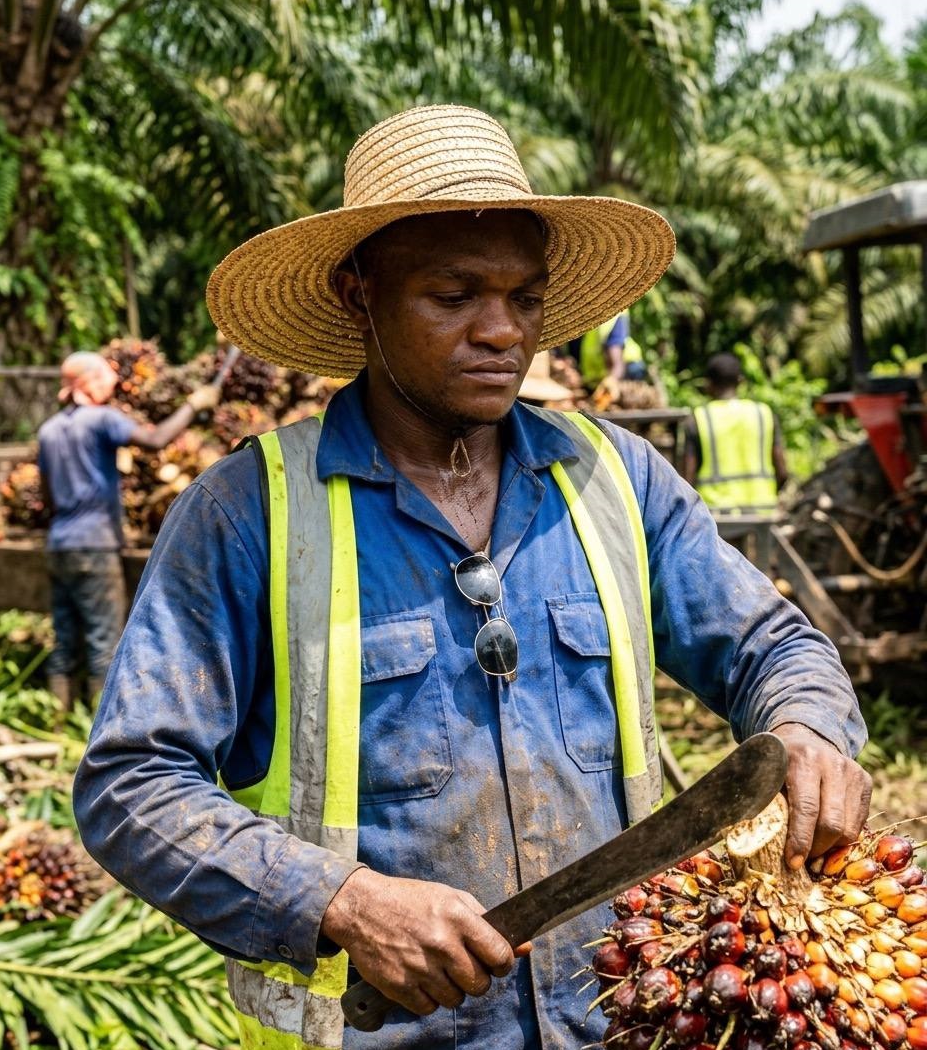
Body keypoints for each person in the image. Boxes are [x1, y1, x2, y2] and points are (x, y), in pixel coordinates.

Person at [74, 106, 870, 1050]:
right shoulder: (247, 515)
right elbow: (131, 782)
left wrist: (809, 729)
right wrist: (342, 898)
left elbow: (768, 644)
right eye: (453, 295)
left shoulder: (612, 479)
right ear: (358, 290)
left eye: (525, 299)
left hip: (623, 1017)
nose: (502, 332)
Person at [37, 351, 219, 711]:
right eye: (107, 379)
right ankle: (97, 737)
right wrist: (193, 405)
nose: (114, 385)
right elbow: (154, 440)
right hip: (94, 546)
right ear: (89, 383)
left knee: (64, 639)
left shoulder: (48, 431)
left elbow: (47, 498)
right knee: (104, 641)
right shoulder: (101, 420)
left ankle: (57, 720)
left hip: (58, 545)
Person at [682, 352, 788, 513]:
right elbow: (782, 471)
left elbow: (687, 479)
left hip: (716, 515)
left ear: (708, 385)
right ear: (741, 381)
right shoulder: (763, 414)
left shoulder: (698, 418)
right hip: (762, 512)